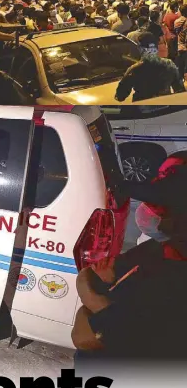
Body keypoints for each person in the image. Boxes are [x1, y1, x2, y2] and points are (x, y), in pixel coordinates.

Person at [72, 159, 187, 371]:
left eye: (160, 207)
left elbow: (82, 336)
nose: (147, 212)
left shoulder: (172, 284)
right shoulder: (159, 249)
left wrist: (92, 298)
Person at [115, 32, 185, 102]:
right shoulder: (169, 64)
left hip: (143, 108)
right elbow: (180, 89)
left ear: (141, 49)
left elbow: (120, 96)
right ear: (156, 48)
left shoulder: (134, 69)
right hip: (165, 106)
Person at [174, 4, 187, 81]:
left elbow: (176, 32)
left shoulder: (176, 21)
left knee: (180, 66)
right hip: (185, 46)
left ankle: (180, 83)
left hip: (179, 45)